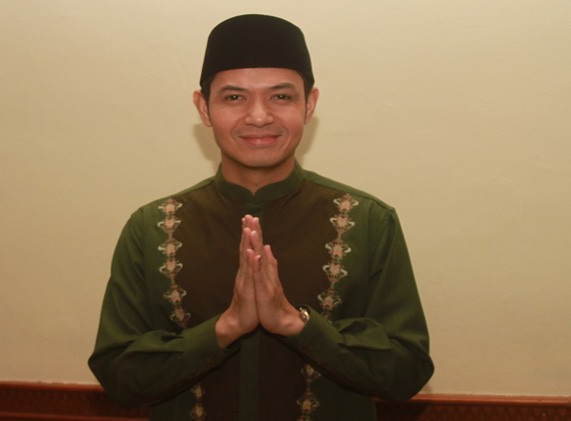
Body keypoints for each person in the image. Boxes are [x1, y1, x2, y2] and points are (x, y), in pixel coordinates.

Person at [89, 14, 434, 421]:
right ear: (203, 107)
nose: (258, 116)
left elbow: (407, 372)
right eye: (234, 97)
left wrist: (296, 324)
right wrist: (224, 329)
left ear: (310, 104)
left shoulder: (370, 221)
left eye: (281, 97)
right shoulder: (151, 228)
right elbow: (119, 377)